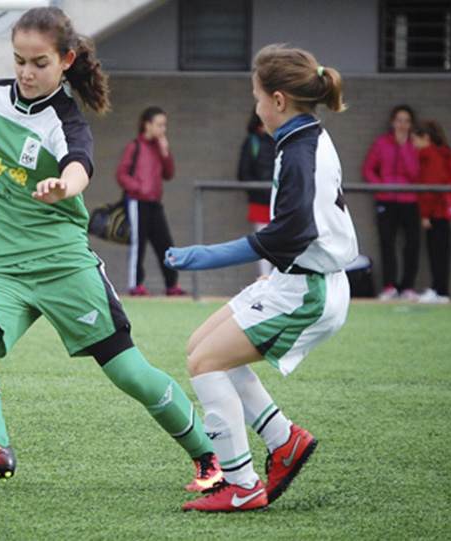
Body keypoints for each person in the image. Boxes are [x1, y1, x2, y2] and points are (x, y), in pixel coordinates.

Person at [0, 6, 220, 494]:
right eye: (19, 59)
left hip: (64, 267)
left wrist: (66, 185)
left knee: (129, 373)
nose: (26, 72)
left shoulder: (66, 118)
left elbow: (81, 165)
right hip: (3, 270)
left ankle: (211, 455)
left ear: (65, 60)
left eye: (39, 63)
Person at [166, 45, 358, 512]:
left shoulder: (298, 153)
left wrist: (204, 257)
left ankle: (243, 484)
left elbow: (289, 234)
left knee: (204, 363)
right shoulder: (302, 136)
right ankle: (283, 441)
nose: (254, 108)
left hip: (307, 289)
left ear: (277, 100)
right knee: (201, 347)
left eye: (255, 98)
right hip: (298, 280)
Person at [116, 106, 185, 296]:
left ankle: (172, 285)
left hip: (155, 203)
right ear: (148, 125)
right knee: (138, 244)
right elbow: (121, 175)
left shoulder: (158, 148)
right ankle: (135, 285)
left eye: (165, 125)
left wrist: (165, 153)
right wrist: (138, 187)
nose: (163, 129)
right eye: (159, 124)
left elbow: (169, 174)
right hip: (136, 203)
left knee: (165, 244)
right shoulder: (134, 147)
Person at [362, 104, 420, 301]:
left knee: (411, 245)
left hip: (410, 200)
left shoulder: (415, 144)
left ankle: (408, 287)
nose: (402, 125)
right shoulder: (381, 143)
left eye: (406, 121)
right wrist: (380, 187)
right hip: (386, 201)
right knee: (387, 243)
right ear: (392, 122)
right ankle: (389, 286)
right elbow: (369, 168)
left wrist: (404, 147)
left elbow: (415, 173)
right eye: (399, 120)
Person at [412, 119, 451, 304]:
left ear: (425, 137)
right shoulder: (434, 156)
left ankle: (440, 290)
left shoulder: (432, 158)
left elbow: (431, 188)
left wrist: (425, 214)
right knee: (437, 252)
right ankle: (439, 289)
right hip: (437, 213)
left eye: (415, 139)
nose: (413, 143)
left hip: (436, 214)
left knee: (438, 253)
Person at [237, 111, 275, 277]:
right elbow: (243, 173)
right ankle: (264, 281)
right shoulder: (253, 141)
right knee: (263, 246)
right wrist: (258, 191)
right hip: (260, 203)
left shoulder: (282, 140)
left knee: (282, 245)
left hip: (281, 202)